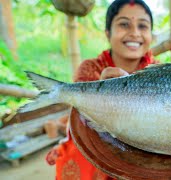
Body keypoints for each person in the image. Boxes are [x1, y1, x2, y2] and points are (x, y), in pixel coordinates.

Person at [46, 0, 156, 179]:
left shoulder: (158, 71)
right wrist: (101, 93)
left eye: (143, 26)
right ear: (107, 33)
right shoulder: (90, 68)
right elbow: (83, 118)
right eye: (124, 24)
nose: (135, 33)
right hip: (96, 144)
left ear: (151, 35)